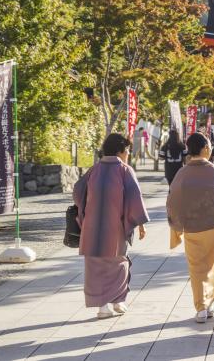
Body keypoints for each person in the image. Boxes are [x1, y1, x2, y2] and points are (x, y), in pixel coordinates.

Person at [73, 133, 149, 319]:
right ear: (121, 151)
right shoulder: (124, 170)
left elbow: (77, 192)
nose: (128, 154)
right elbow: (134, 197)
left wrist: (86, 210)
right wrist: (140, 223)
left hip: (92, 226)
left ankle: (103, 306)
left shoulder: (94, 169)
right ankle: (117, 301)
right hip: (115, 227)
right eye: (128, 150)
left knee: (95, 265)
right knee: (118, 263)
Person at [167, 132, 214, 323]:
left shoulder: (182, 173)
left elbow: (173, 200)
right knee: (213, 264)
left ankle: (201, 307)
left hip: (192, 228)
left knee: (197, 268)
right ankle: (210, 303)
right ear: (205, 148)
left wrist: (177, 223)